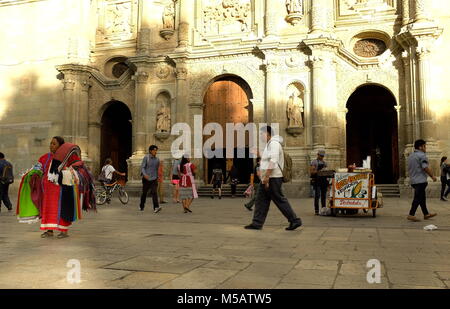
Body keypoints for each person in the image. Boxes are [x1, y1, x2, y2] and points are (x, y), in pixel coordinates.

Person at [17, 137, 96, 238]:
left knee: (62, 209)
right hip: (47, 191)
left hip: (62, 190)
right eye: (50, 143)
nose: (51, 146)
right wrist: (33, 173)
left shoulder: (67, 157)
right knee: (48, 210)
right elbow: (38, 167)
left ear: (60, 146)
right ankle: (49, 231)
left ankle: (64, 231)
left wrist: (68, 171)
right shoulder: (44, 157)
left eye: (54, 144)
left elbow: (79, 166)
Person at [245, 126, 302, 231]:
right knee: (261, 200)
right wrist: (259, 154)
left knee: (279, 199)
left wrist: (266, 176)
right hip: (268, 178)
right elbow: (268, 159)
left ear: (267, 133)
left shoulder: (274, 144)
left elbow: (273, 160)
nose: (261, 136)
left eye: (261, 134)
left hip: (273, 178)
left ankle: (294, 220)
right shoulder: (270, 144)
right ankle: (257, 223)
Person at [407, 139, 438, 222]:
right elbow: (425, 167)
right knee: (417, 198)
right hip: (420, 181)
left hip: (413, 180)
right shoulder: (422, 155)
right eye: (425, 146)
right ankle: (411, 214)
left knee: (422, 198)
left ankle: (426, 214)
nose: (426, 148)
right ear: (420, 147)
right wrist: (432, 176)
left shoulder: (411, 156)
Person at [140, 145, 161, 213]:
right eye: (154, 150)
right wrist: (145, 174)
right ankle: (142, 206)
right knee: (144, 193)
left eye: (156, 150)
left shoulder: (157, 159)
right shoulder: (146, 158)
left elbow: (157, 169)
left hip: (154, 179)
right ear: (150, 151)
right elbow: (143, 167)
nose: (155, 152)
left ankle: (156, 207)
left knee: (154, 192)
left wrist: (158, 177)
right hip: (146, 179)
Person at [310, 150, 329, 215]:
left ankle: (323, 209)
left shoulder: (324, 163)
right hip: (317, 180)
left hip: (323, 180)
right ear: (317, 155)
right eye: (320, 156)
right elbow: (312, 172)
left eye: (322, 156)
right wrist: (319, 171)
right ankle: (316, 210)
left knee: (323, 196)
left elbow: (326, 170)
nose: (321, 157)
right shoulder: (314, 162)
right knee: (317, 195)